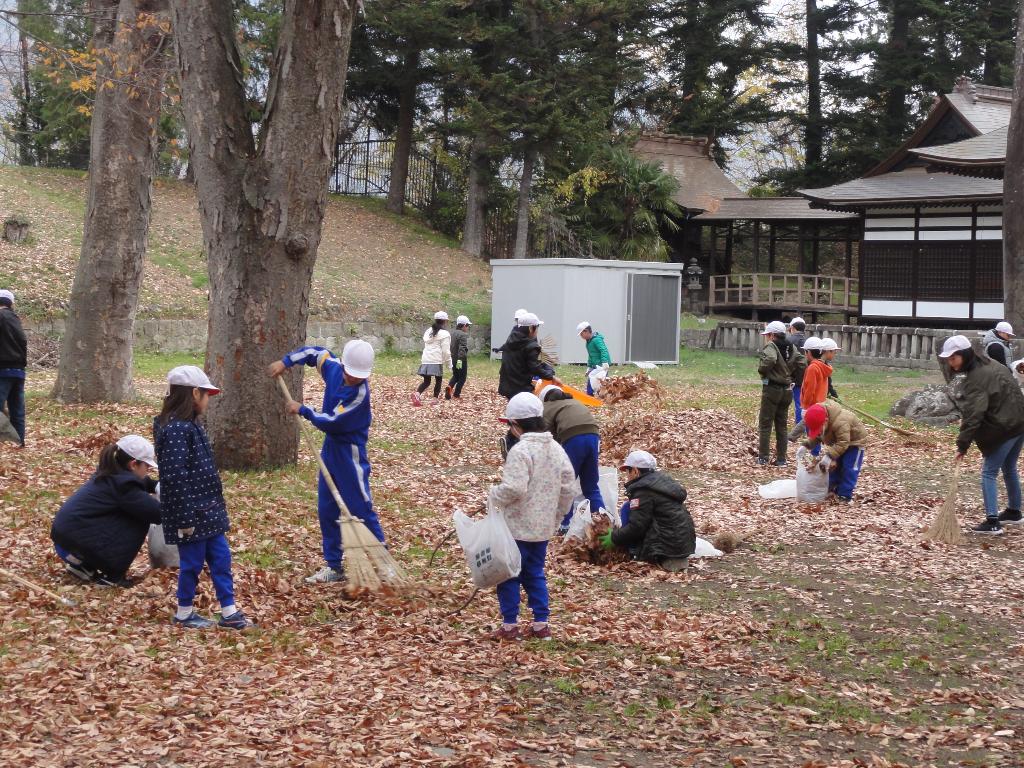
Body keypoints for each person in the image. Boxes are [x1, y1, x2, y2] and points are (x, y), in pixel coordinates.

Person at [270, 340, 384, 583]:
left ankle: (383, 561)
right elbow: (315, 353)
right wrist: (287, 362)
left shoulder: (360, 394)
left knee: (360, 506)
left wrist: (303, 410)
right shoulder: (332, 367)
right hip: (330, 449)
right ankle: (333, 565)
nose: (354, 379)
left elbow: (333, 420)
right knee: (327, 507)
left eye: (360, 376)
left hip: (350, 451)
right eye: (351, 374)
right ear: (343, 366)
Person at [155, 365, 252, 629]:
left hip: (209, 511)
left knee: (221, 559)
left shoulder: (191, 426)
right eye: (207, 395)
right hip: (191, 515)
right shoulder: (175, 430)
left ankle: (229, 611)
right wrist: (184, 518)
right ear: (195, 393)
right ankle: (184, 612)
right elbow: (174, 477)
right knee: (192, 564)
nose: (208, 401)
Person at [490, 392, 577, 641]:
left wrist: (494, 495)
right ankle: (541, 623)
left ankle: (509, 625)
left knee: (509, 574)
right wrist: (557, 516)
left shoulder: (521, 451)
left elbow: (514, 488)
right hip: (542, 527)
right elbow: (568, 487)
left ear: (515, 425)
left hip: (516, 525)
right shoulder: (557, 449)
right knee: (535, 573)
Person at [50, 435, 161, 586]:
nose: (148, 471)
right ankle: (112, 577)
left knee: (127, 515)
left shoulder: (111, 472)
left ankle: (84, 567)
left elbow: (140, 481)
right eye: (147, 467)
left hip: (64, 539)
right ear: (133, 464)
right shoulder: (125, 487)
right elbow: (157, 513)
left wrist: (156, 486)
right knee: (139, 520)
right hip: (74, 546)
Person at [940, 335, 1024, 534]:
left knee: (988, 473)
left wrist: (962, 445)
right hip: (1019, 423)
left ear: (965, 354)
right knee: (1009, 467)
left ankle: (992, 522)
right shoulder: (992, 363)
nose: (951, 364)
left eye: (953, 358)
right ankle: (1014, 512)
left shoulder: (976, 378)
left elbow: (973, 415)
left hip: (1004, 427)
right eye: (948, 360)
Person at [599, 450, 695, 572]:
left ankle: (633, 551)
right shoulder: (659, 483)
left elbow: (637, 527)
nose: (627, 476)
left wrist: (614, 537)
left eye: (628, 471)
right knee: (629, 507)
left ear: (635, 471)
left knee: (627, 509)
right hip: (681, 543)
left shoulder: (643, 491)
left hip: (668, 547)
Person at [539, 384, 604, 532]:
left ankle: (564, 524)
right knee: (591, 485)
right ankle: (604, 521)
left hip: (573, 439)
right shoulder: (575, 402)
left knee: (566, 484)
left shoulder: (547, 407)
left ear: (545, 399)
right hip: (594, 437)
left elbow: (543, 435)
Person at [497, 312, 562, 458]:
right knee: (527, 418)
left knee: (518, 416)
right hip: (521, 387)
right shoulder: (530, 345)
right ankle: (513, 445)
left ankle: (514, 444)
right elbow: (535, 367)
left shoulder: (511, 340)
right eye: (537, 328)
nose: (537, 331)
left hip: (507, 385)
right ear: (531, 328)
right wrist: (551, 376)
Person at [757, 321, 806, 466]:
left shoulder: (771, 346)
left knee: (766, 424)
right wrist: (795, 378)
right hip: (787, 390)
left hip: (772, 389)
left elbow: (771, 359)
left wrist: (762, 370)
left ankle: (763, 458)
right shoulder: (791, 347)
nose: (766, 337)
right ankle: (781, 459)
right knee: (782, 425)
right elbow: (802, 362)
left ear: (772, 335)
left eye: (767, 335)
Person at [800, 402, 868, 502]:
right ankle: (831, 488)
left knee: (849, 468)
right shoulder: (824, 422)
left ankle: (845, 494)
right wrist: (806, 445)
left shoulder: (840, 422)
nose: (818, 432)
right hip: (838, 443)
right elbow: (818, 436)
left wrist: (829, 455)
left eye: (819, 429)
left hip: (855, 443)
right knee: (834, 468)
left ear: (826, 421)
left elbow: (843, 443)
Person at [0, 288, 27, 447]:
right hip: (18, 371)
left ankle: (6, 442)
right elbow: (23, 342)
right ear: (11, 303)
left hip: (2, 370)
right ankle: (18, 442)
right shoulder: (15, 319)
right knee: (17, 410)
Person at [413, 311, 452, 405]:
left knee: (427, 381)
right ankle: (435, 399)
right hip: (436, 360)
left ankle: (417, 394)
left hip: (426, 359)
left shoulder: (428, 331)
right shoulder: (444, 334)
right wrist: (449, 364)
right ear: (445, 321)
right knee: (438, 380)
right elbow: (446, 351)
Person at [576, 321, 611, 396]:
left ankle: (605, 397)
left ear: (586, 331)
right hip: (595, 365)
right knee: (591, 381)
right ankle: (590, 396)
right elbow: (591, 355)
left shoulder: (597, 340)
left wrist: (605, 362)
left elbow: (603, 350)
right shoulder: (588, 342)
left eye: (581, 334)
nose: (581, 336)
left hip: (602, 365)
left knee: (604, 383)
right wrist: (589, 366)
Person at [801, 337, 832, 412]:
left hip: (811, 408)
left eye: (805, 351)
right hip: (820, 406)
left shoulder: (813, 368)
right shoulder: (823, 365)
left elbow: (809, 389)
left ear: (808, 352)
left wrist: (805, 407)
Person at [787, 318, 808, 423]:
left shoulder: (789, 341)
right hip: (805, 375)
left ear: (793, 328)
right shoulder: (808, 341)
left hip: (791, 375)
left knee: (783, 401)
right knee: (801, 402)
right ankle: (801, 424)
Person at [446, 315, 471, 400]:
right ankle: (456, 394)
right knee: (462, 378)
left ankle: (449, 387)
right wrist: (460, 360)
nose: (468, 328)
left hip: (452, 358)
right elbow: (462, 348)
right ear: (464, 325)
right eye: (468, 326)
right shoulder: (463, 335)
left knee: (455, 376)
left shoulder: (451, 333)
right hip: (461, 360)